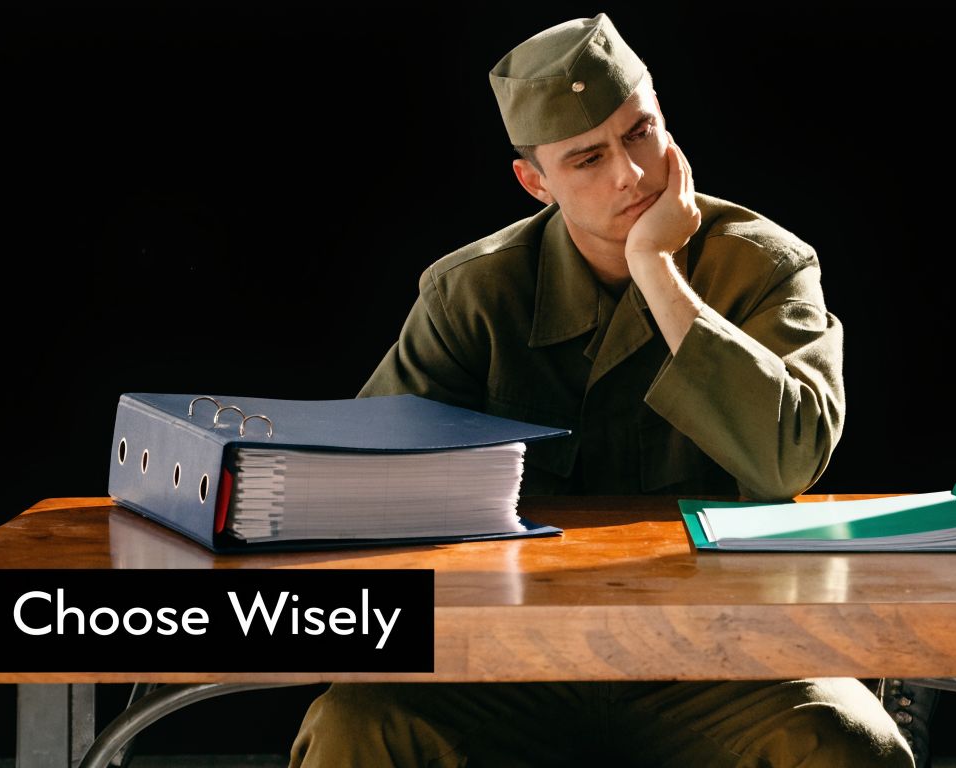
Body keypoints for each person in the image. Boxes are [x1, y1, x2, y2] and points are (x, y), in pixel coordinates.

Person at [290, 13, 914, 768]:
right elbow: (361, 481)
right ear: (535, 182)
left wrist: (660, 273)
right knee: (359, 725)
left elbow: (791, 459)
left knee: (846, 742)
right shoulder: (475, 293)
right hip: (512, 656)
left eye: (641, 132)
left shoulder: (763, 267)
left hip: (719, 654)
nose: (631, 173)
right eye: (586, 158)